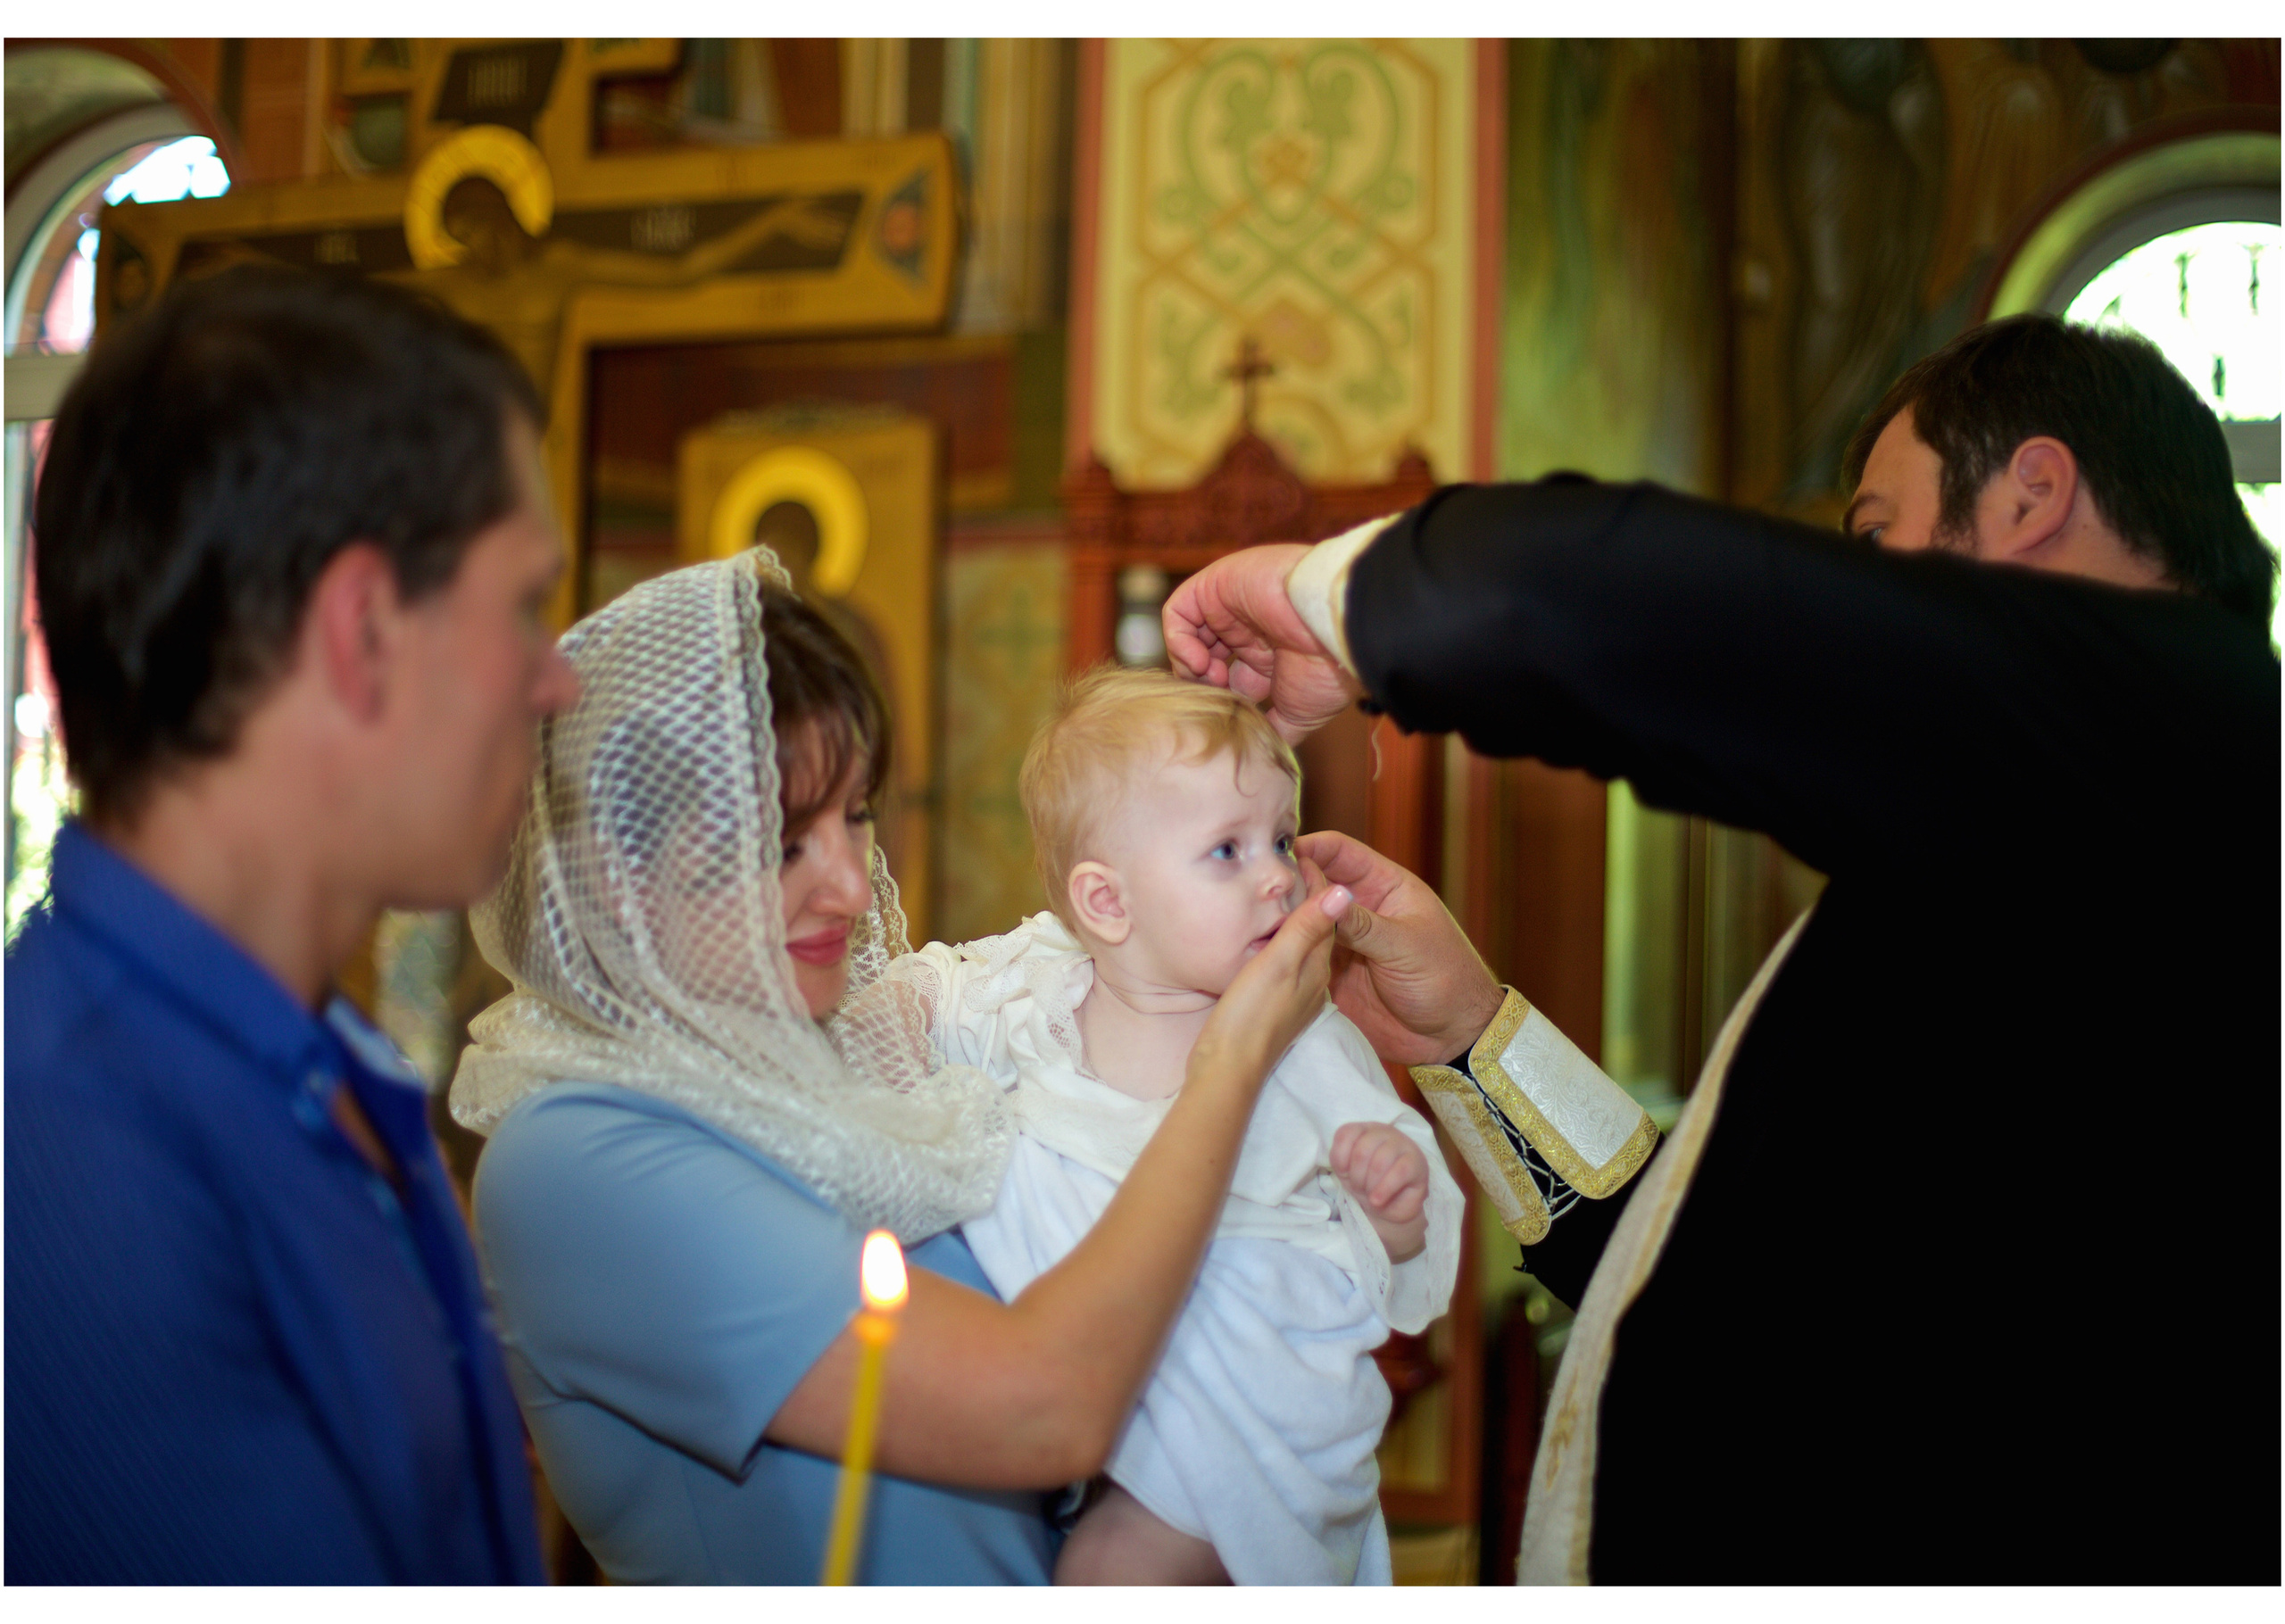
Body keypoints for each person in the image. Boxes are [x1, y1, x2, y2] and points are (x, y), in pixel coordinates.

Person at [1160, 314, 2280, 1583]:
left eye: (1873, 540)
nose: (1857, 588)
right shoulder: (2055, 820)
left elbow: (1596, 595)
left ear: (2034, 494)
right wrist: (1466, 1041)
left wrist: (1336, 593)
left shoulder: (2180, 729)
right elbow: (1748, 1294)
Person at [450, 552, 1350, 1584]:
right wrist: (1234, 1059)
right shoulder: (575, 1155)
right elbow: (1043, 1407)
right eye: (783, 842)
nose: (842, 883)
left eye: (857, 814)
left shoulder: (869, 1052)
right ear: (619, 874)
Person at [5, 266, 578, 1581]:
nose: (560, 676)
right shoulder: (60, 1145)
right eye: (524, 603)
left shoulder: (315, 1065)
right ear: (363, 631)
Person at [887, 666, 1463, 1584]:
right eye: (1226, 850)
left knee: (1108, 1578)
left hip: (1239, 1420)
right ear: (1106, 903)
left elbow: (1384, 1245)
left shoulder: (1299, 1035)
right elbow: (907, 1009)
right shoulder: (1037, 991)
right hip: (1074, 1385)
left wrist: (1389, 1188)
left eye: (1279, 836)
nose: (1278, 876)